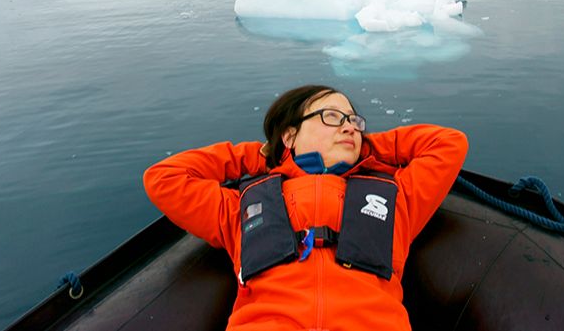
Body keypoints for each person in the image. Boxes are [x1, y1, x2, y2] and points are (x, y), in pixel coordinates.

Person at [143, 85, 469, 331]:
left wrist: (364, 147)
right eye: (331, 117)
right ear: (289, 135)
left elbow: (448, 144)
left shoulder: (396, 198)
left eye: (354, 121)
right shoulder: (240, 207)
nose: (349, 127)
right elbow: (164, 177)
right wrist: (266, 156)